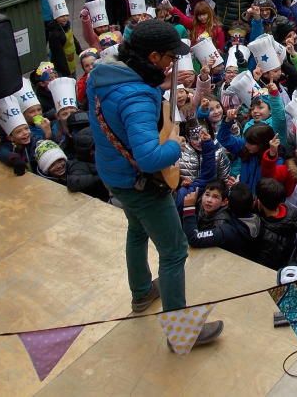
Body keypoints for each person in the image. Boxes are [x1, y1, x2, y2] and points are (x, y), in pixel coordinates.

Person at [86, 20, 224, 345]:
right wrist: (177, 143)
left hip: (114, 174)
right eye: (169, 58)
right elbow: (149, 157)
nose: (173, 64)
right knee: (174, 252)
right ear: (152, 57)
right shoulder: (136, 99)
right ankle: (181, 333)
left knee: (137, 231)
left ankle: (141, 293)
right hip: (141, 182)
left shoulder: (105, 74)